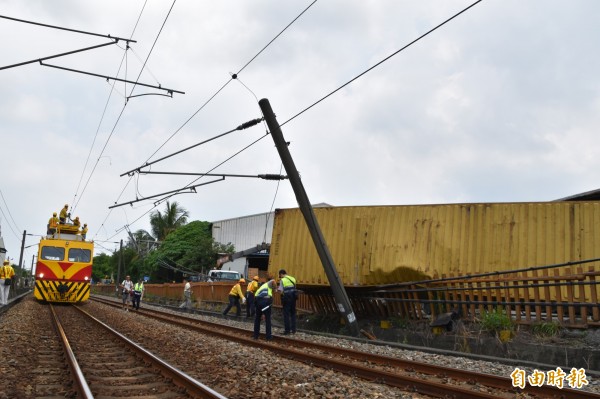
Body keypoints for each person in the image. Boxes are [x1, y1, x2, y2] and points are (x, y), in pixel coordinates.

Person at [278, 269, 298, 335]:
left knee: (286, 314)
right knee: (293, 313)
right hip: (293, 297)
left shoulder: (282, 280)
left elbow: (281, 291)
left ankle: (287, 331)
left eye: (280, 275)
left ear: (281, 274)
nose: (280, 277)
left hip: (286, 298)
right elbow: (294, 288)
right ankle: (294, 330)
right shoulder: (293, 278)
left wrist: (278, 291)